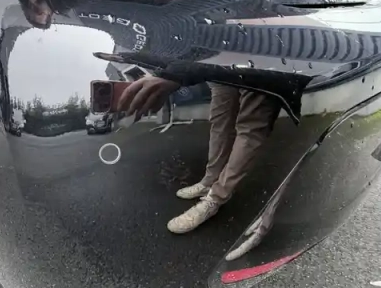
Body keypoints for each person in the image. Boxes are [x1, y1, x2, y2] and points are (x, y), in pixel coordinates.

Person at [117, 75, 281, 234]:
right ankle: (210, 181)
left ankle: (217, 196)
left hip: (261, 64)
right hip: (222, 65)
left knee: (250, 126)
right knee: (220, 119)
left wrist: (176, 75)